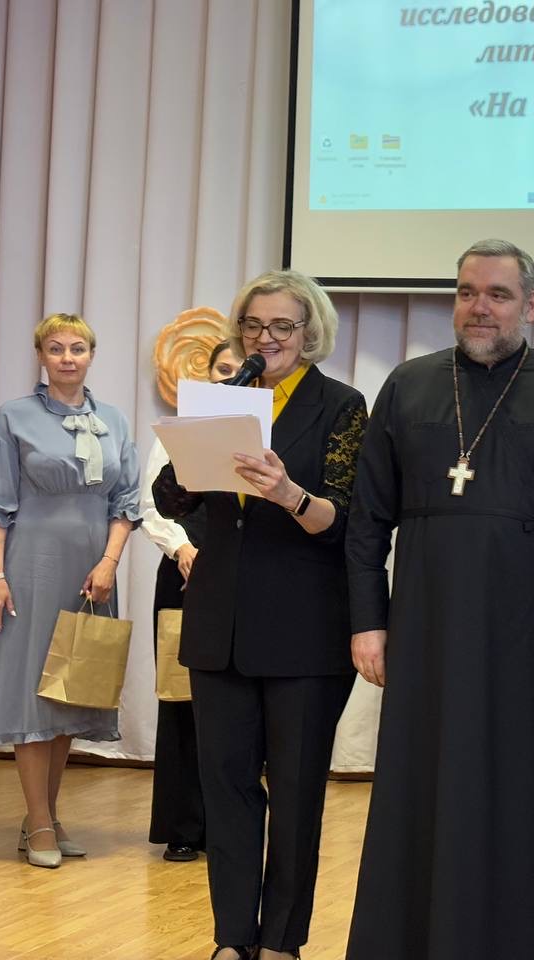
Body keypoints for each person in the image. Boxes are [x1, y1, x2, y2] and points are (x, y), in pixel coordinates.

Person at [344, 239, 534, 960]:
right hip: (426, 617)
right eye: (467, 292)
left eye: (498, 294)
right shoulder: (408, 384)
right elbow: (368, 518)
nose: (480, 308)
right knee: (421, 783)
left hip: (532, 621)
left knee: (520, 785)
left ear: (531, 304)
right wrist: (368, 621)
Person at [152, 270, 366, 960]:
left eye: (281, 326)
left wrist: (288, 493)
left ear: (309, 334)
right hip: (220, 623)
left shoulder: (341, 405)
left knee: (297, 794)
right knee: (227, 789)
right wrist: (189, 453)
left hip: (305, 630)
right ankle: (231, 938)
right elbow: (170, 497)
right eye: (253, 325)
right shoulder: (223, 398)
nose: (264, 338)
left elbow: (346, 523)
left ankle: (281, 941)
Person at [0, 314, 141, 869]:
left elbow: (127, 502)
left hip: (93, 570)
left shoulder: (114, 419)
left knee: (71, 690)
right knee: (31, 692)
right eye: (56, 348)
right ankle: (40, 820)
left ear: (91, 354)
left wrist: (109, 562)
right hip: (30, 566)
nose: (67, 358)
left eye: (77, 348)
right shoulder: (13, 416)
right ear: (41, 356)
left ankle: (43, 814)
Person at [139, 340, 242, 862]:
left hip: (244, 578)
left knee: (237, 706)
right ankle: (183, 825)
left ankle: (232, 826)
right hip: (184, 574)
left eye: (239, 369)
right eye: (223, 368)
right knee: (181, 702)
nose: (230, 377)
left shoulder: (268, 432)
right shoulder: (181, 428)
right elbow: (150, 505)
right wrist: (181, 547)